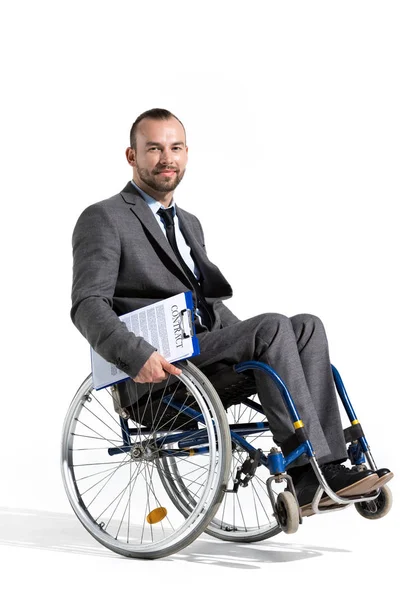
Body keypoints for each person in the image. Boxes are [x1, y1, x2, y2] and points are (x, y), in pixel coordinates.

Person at [71, 108, 392, 514]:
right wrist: (136, 356)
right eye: (153, 148)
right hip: (157, 371)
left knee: (306, 326)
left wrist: (266, 345)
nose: (166, 158)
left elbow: (208, 305)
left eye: (175, 147)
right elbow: (87, 305)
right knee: (274, 326)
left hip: (202, 350)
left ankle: (328, 465)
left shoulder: (189, 223)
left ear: (187, 153)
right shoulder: (104, 218)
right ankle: (308, 468)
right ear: (132, 156)